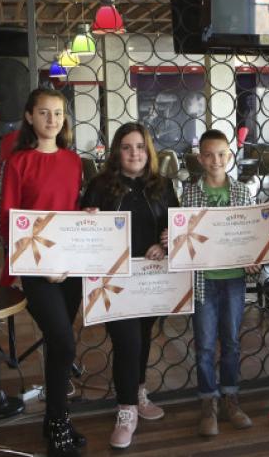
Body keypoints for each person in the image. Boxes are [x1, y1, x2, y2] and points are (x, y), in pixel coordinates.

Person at [80, 123, 178, 449]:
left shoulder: (163, 185)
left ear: (148, 151)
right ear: (117, 152)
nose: (134, 153)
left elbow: (178, 226)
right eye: (126, 147)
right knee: (127, 342)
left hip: (152, 278)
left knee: (143, 336)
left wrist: (165, 244)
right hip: (114, 279)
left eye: (139, 147)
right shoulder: (100, 185)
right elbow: (83, 227)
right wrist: (87, 217)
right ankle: (126, 411)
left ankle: (137, 392)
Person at [0, 88, 85, 457]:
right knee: (63, 342)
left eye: (58, 113)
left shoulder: (74, 161)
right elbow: (8, 219)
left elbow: (72, 209)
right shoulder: (18, 162)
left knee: (58, 344)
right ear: (29, 116)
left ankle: (54, 419)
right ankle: (60, 421)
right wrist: (39, 265)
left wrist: (87, 217)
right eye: (44, 113)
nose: (52, 120)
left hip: (71, 266)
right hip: (36, 268)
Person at [177, 129, 256, 437]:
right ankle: (208, 401)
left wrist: (254, 256)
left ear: (230, 155)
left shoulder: (242, 192)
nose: (216, 160)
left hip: (233, 278)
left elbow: (252, 232)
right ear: (200, 159)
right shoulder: (190, 194)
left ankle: (231, 398)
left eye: (221, 154)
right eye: (208, 155)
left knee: (232, 342)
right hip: (204, 280)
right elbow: (184, 235)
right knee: (206, 345)